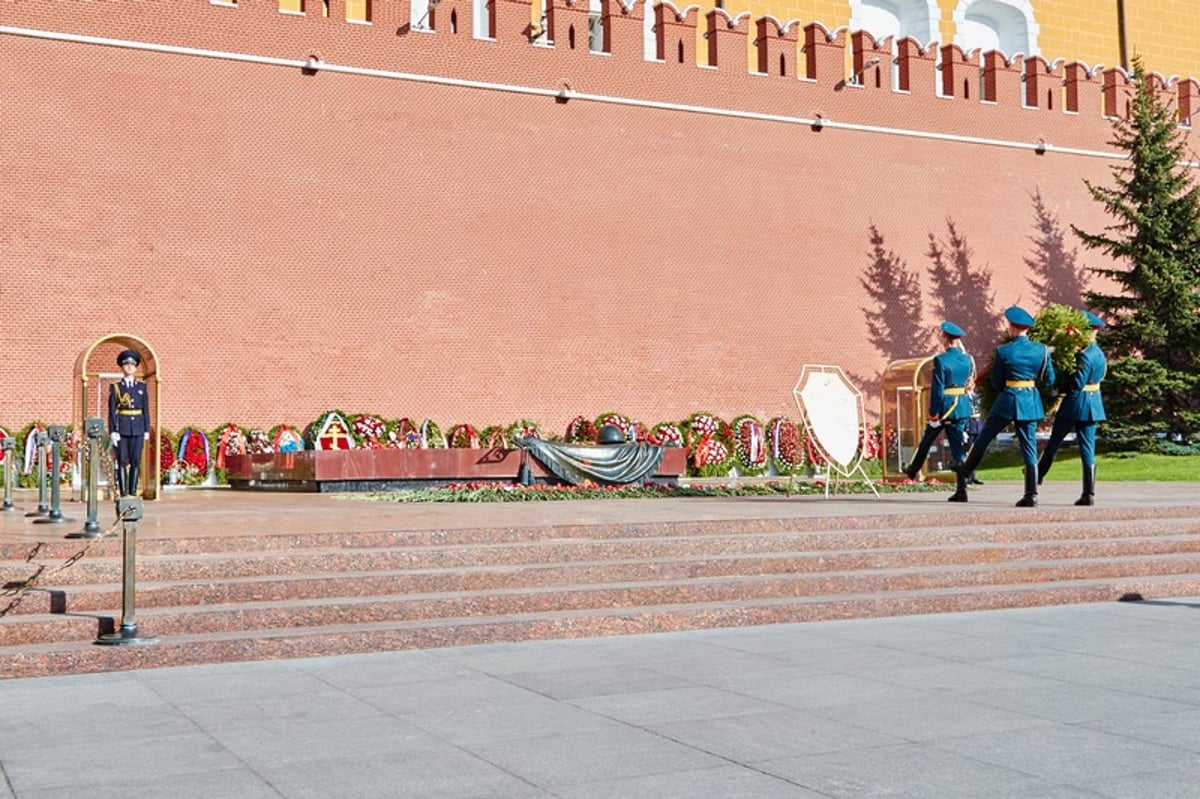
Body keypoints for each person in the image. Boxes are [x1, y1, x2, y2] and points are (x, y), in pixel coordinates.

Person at [951, 305, 1055, 506]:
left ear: (1012, 327)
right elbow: (1049, 379)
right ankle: (1031, 494)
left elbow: (997, 381)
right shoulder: (1041, 350)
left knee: (984, 437)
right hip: (1030, 400)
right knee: (1029, 446)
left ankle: (966, 470)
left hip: (1008, 399)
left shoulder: (1004, 351)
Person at [1037, 310, 1107, 505]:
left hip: (1076, 404)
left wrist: (1059, 388)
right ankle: (1089, 492)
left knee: (1055, 441)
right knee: (1087, 448)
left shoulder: (1084, 355)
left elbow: (1077, 383)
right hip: (1093, 404)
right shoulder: (1100, 353)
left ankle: (1038, 476)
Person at [903, 321, 975, 484]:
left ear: (944, 338)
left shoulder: (941, 360)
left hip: (945, 407)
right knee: (958, 447)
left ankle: (913, 470)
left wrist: (933, 412)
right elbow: (968, 382)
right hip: (961, 406)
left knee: (927, 440)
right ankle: (963, 483)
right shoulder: (967, 360)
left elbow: (938, 389)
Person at [108, 349, 150, 497]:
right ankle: (124, 493)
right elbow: (112, 410)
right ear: (122, 367)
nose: (129, 367)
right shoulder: (116, 387)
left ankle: (133, 493)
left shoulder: (141, 387)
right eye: (126, 365)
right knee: (122, 461)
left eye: (132, 365)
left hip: (138, 428)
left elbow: (145, 408)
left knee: (136, 460)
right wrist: (113, 430)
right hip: (123, 428)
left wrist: (146, 429)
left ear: (136, 367)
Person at [964, 383, 984, 485]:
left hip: (977, 427)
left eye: (972, 383)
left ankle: (973, 476)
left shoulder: (976, 396)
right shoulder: (964, 396)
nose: (971, 385)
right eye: (968, 383)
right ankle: (967, 476)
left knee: (975, 452)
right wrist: (965, 429)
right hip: (970, 427)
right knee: (968, 452)